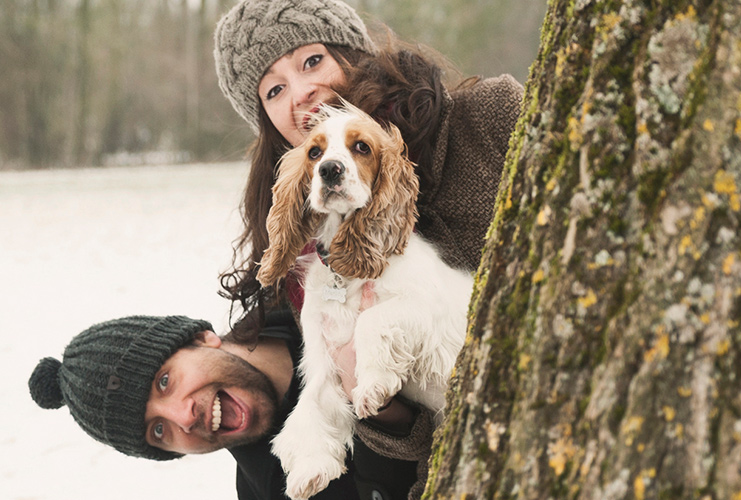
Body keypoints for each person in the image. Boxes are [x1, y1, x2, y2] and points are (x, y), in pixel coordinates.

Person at [28, 0, 523, 498]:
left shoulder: (487, 116)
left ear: (355, 55)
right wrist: (379, 407)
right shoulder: (310, 276)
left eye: (312, 61)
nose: (302, 92)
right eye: (273, 91)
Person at [29, 314, 425, 500]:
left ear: (202, 338)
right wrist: (385, 416)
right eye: (158, 432)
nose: (183, 417)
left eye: (164, 381)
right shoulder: (273, 490)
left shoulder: (299, 286)